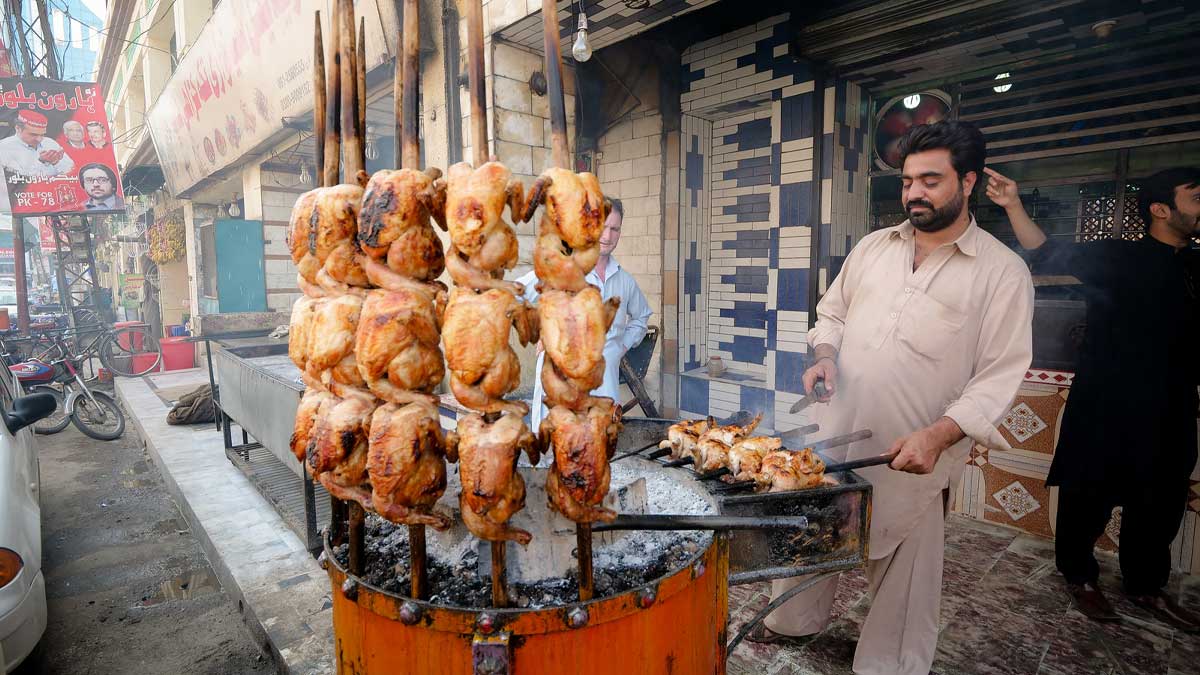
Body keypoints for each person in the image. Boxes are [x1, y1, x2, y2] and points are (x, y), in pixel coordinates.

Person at [752, 121, 1033, 675]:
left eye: (931, 180)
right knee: (815, 533)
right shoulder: (874, 247)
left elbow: (1000, 375)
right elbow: (830, 311)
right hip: (838, 434)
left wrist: (939, 435)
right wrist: (825, 355)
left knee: (905, 568)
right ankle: (793, 621)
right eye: (908, 181)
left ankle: (891, 663)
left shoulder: (1002, 272)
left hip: (912, 452)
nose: (914, 193)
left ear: (969, 181)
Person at [987, 166, 1200, 630]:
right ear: (1161, 209)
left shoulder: (1196, 265)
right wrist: (1012, 204)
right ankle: (1080, 577)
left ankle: (1145, 585)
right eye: (1196, 198)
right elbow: (1043, 252)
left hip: (1172, 405)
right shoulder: (1118, 257)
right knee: (1089, 491)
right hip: (1108, 400)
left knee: (1160, 500)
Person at [519, 197, 653, 429]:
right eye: (603, 226)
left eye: (615, 229)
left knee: (598, 452)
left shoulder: (624, 280)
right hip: (562, 389)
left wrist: (622, 346)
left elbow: (642, 318)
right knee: (561, 452)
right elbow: (517, 294)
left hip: (604, 388)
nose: (608, 236)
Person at [0, 110, 74, 178]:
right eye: (33, 134)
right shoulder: (4, 147)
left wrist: (56, 162)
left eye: (42, 134)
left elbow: (72, 171)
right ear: (18, 128)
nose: (39, 139)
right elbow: (19, 180)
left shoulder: (49, 142)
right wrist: (41, 162)